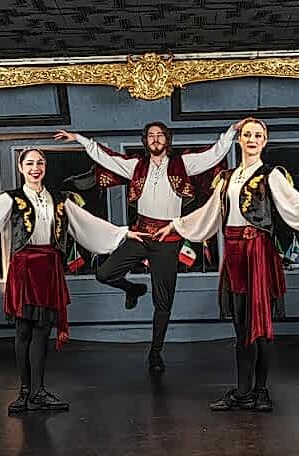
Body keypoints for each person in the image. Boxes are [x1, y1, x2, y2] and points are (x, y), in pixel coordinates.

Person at [0, 148, 147, 414]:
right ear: (21, 168)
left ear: (45, 167)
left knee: (42, 332)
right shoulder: (9, 199)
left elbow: (88, 223)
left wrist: (123, 233)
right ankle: (25, 392)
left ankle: (38, 392)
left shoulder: (60, 199)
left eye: (40, 163)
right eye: (30, 163)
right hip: (24, 268)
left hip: (49, 268)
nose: (36, 168)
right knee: (23, 331)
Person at [153, 118, 299, 411]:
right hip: (234, 254)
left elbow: (295, 202)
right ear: (240, 140)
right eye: (247, 134)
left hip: (258, 252)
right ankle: (244, 391)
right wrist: (175, 225)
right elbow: (209, 213)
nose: (252, 139)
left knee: (259, 325)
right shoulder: (226, 178)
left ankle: (258, 391)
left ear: (265, 141)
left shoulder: (271, 175)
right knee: (241, 326)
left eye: (258, 135)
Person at [54, 120, 242, 373]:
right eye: (151, 135)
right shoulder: (136, 166)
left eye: (160, 135)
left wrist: (231, 132)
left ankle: (155, 352)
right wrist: (79, 138)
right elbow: (106, 157)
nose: (155, 139)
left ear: (167, 139)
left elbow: (214, 154)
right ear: (145, 141)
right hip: (141, 234)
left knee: (163, 301)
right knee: (104, 273)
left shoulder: (183, 164)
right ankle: (133, 288)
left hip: (168, 240)